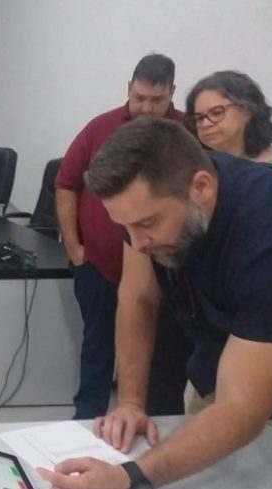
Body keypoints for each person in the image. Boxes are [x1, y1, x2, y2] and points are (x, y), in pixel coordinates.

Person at [39, 117, 272, 489]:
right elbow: (138, 297)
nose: (138, 243)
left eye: (147, 223)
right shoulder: (156, 209)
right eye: (126, 228)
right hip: (221, 379)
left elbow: (242, 409)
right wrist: (130, 402)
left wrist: (130, 479)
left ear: (201, 188)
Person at [55, 53, 192, 419]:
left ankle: (152, 423)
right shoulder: (100, 128)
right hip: (99, 267)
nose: (146, 108)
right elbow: (66, 184)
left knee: (163, 356)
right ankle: (86, 421)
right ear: (128, 89)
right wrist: (74, 248)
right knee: (97, 349)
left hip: (165, 274)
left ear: (172, 93)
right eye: (139, 98)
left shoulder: (186, 133)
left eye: (156, 100)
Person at [186, 70, 272, 173]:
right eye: (199, 118)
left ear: (247, 110)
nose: (205, 124)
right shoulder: (204, 167)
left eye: (216, 113)